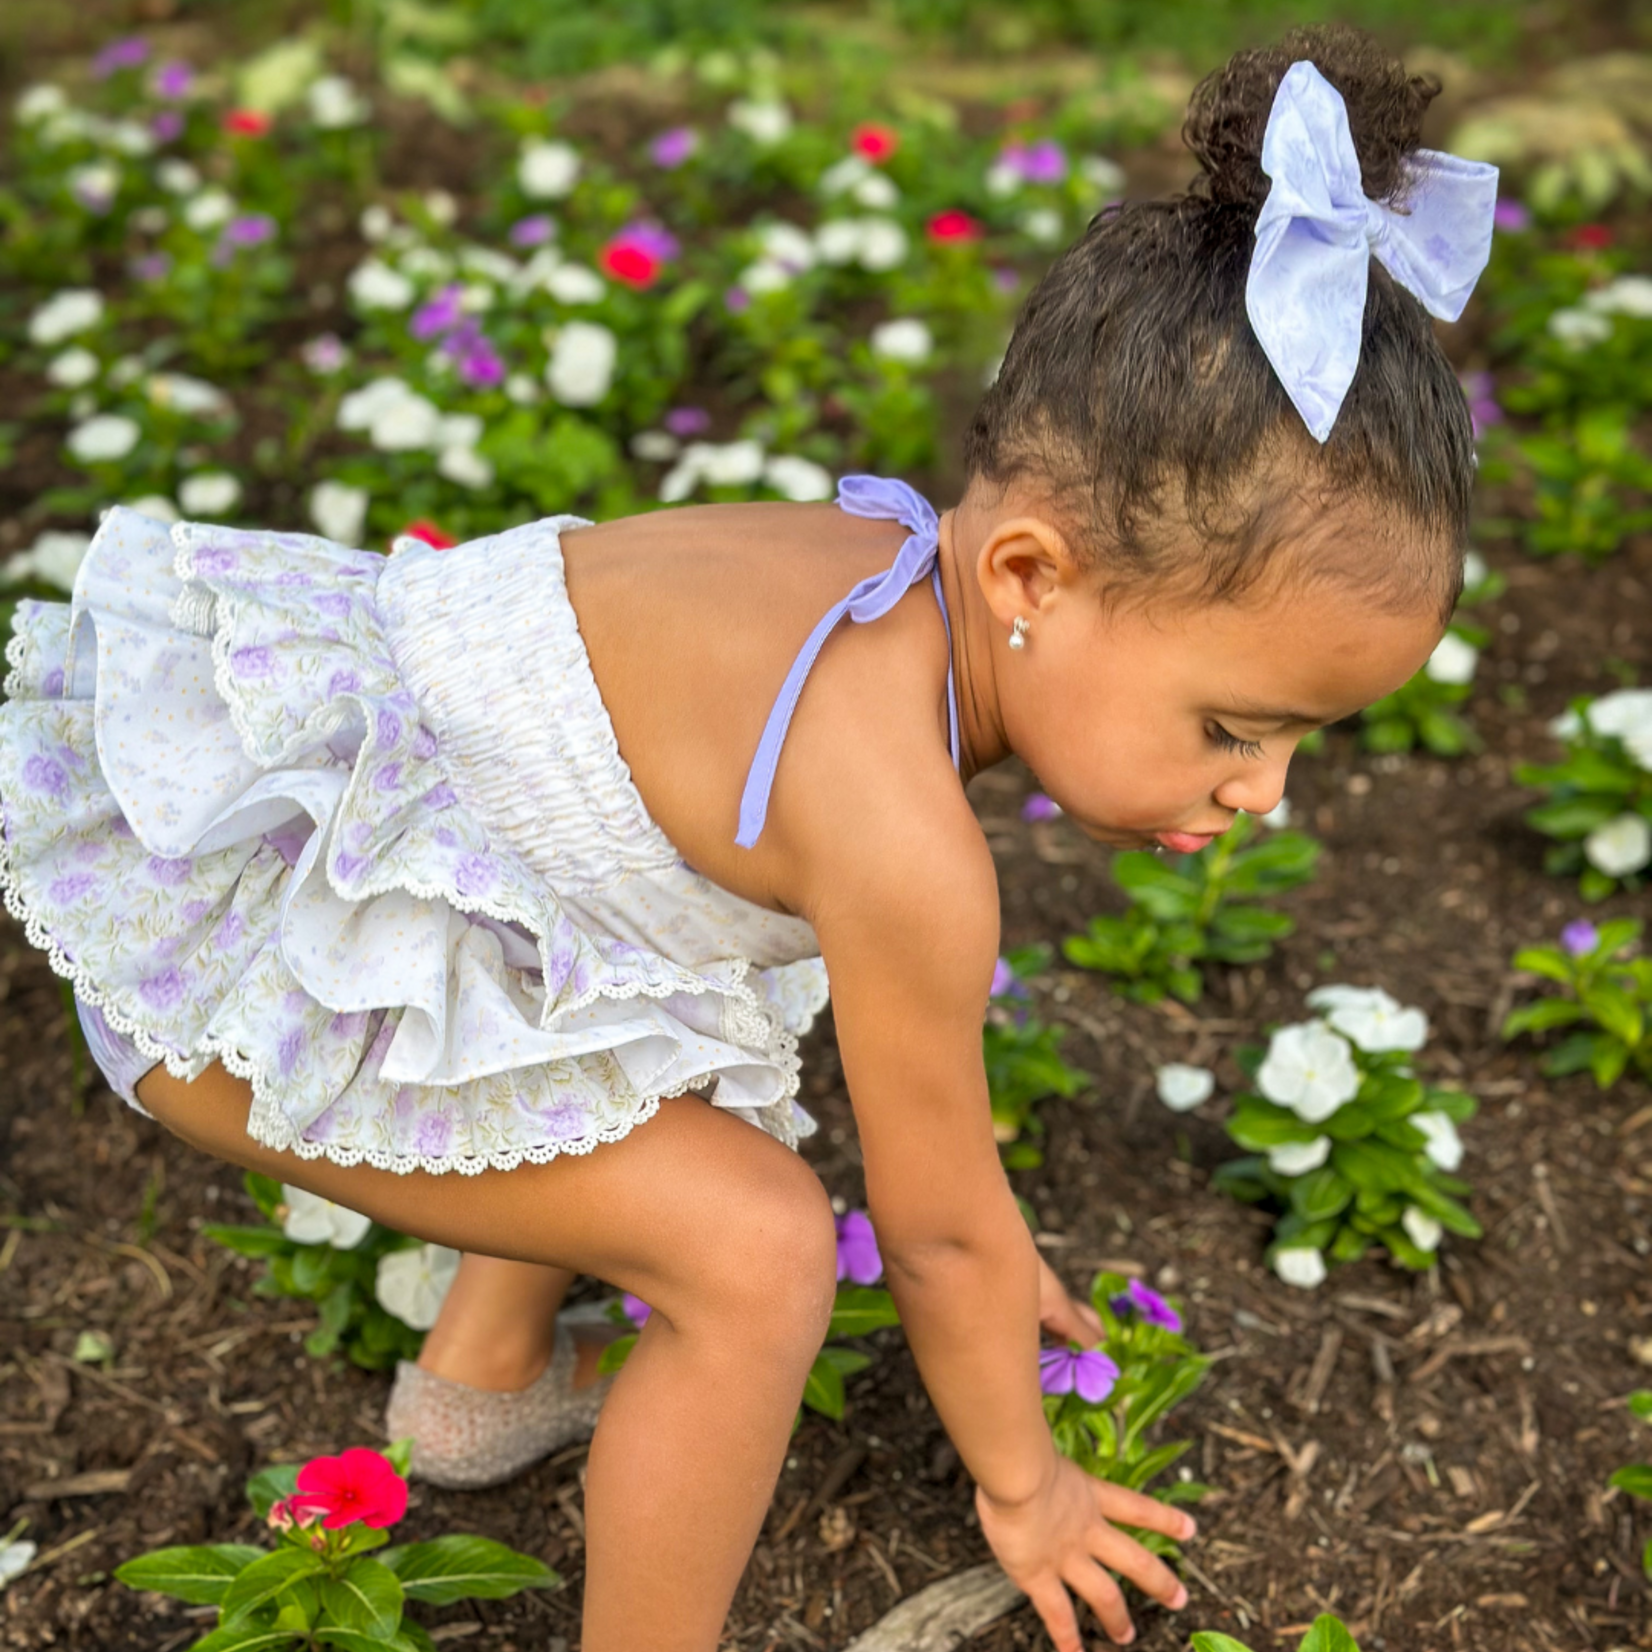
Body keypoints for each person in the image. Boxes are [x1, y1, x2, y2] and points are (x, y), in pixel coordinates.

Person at [0, 24, 1495, 1652]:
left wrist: (997, 1266)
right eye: (1232, 727)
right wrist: (1028, 1477)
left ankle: (480, 1383)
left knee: (688, 957)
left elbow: (597, 859)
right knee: (763, 1252)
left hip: (256, 839)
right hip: (230, 963)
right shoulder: (900, 836)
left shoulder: (865, 563)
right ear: (1027, 581)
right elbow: (929, 1230)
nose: (1262, 792)